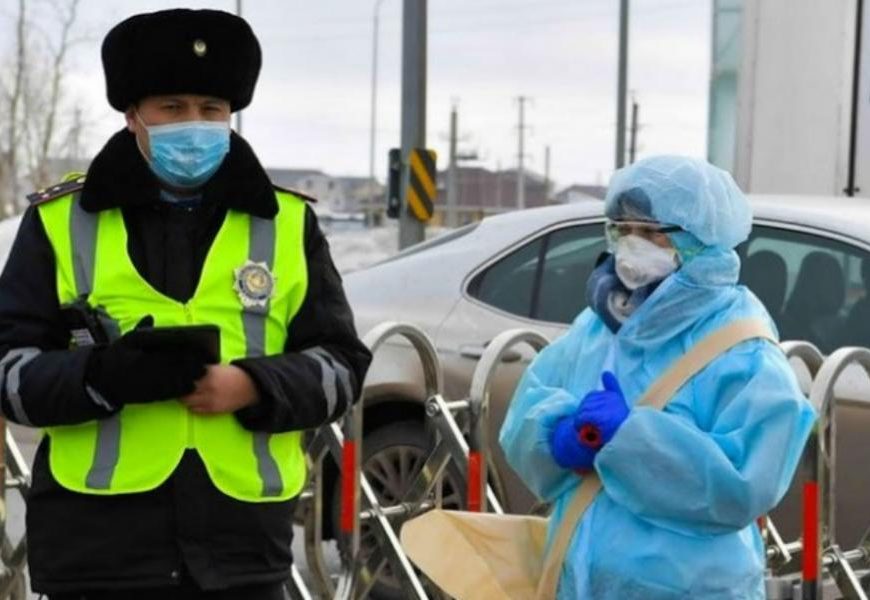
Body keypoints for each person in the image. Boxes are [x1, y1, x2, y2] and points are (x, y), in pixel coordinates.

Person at [0, 9, 372, 599]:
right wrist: (103, 377)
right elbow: (9, 372)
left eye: (211, 109)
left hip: (243, 556)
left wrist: (252, 386)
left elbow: (343, 366)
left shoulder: (288, 223)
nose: (194, 125)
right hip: (97, 554)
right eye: (172, 108)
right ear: (133, 116)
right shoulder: (57, 222)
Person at [499, 156, 816, 599]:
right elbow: (525, 415)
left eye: (650, 233)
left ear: (701, 241)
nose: (632, 245)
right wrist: (554, 437)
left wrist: (632, 438)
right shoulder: (597, 328)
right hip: (579, 581)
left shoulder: (742, 348)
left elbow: (744, 484)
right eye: (622, 230)